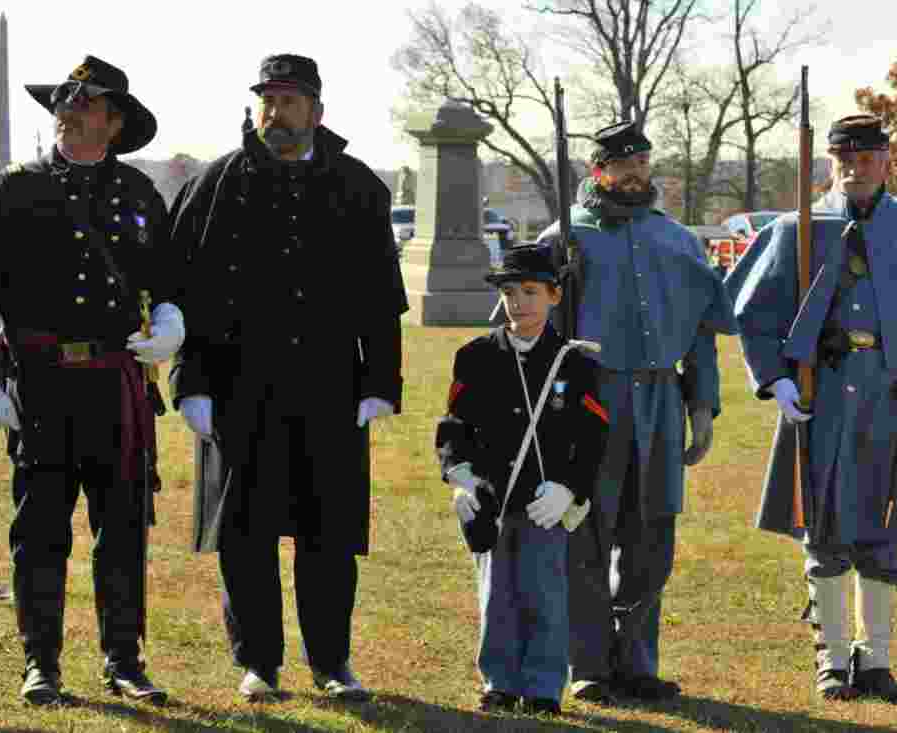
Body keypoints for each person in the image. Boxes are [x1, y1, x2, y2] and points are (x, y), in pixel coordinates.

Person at [166, 53, 407, 702]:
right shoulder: (216, 183)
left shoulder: (358, 186)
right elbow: (179, 293)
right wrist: (190, 382)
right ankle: (259, 663)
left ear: (317, 111)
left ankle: (332, 662)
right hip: (237, 387)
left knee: (329, 533)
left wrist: (380, 382)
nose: (276, 113)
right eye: (268, 101)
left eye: (290, 101)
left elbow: (381, 296)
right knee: (243, 532)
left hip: (330, 387)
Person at [0, 55, 180, 705]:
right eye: (66, 100)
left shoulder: (138, 193)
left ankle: (125, 662)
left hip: (115, 386)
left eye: (87, 102)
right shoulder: (12, 189)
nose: (70, 110)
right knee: (40, 532)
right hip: (42, 386)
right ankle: (41, 665)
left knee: (123, 531)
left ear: (115, 122)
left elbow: (167, 276)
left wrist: (171, 321)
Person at [732, 114, 897, 702]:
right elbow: (752, 314)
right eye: (845, 160)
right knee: (825, 527)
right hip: (824, 396)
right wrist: (775, 380)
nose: (856, 170)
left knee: (885, 527)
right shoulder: (797, 228)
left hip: (894, 395)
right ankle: (833, 659)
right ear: (830, 162)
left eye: (866, 159)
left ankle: (875, 660)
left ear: (886, 162)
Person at [537, 121, 738, 705]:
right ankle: (589, 663)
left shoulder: (677, 240)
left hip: (660, 399)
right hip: (589, 398)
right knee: (587, 532)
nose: (635, 175)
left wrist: (702, 405)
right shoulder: (563, 237)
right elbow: (524, 324)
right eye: (623, 165)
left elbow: (701, 331)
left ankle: (636, 661)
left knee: (652, 533)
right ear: (597, 170)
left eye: (642, 164)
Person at [435, 244, 608, 715]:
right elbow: (455, 427)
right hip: (491, 497)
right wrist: (461, 476)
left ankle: (543, 687)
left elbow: (592, 437)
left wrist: (569, 488)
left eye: (530, 291)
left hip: (543, 500)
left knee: (544, 593)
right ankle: (499, 681)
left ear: (554, 295)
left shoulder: (575, 363)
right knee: (496, 594)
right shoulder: (475, 356)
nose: (518, 303)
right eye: (509, 292)